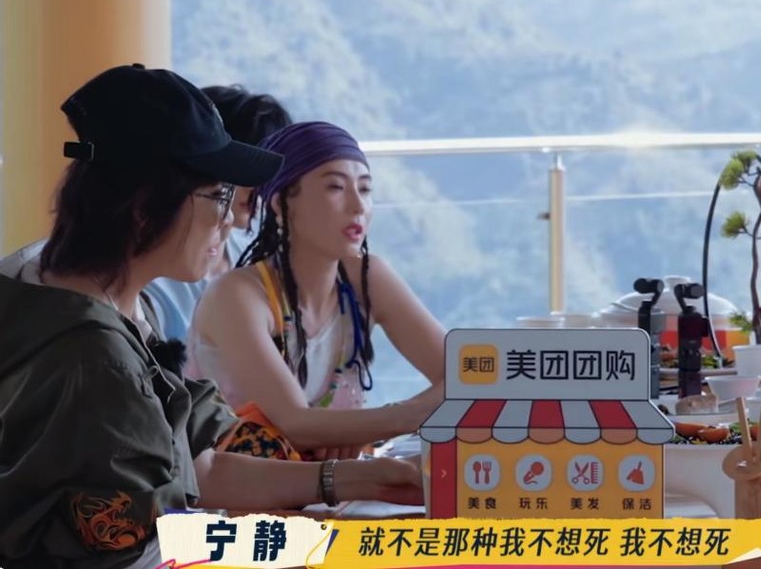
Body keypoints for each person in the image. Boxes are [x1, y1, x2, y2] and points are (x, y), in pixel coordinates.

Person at [0, 65, 423, 569]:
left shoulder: (76, 285)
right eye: (220, 195)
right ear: (144, 208)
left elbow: (201, 468)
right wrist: (320, 546)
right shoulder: (94, 357)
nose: (232, 220)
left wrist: (357, 479)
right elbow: (138, 550)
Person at [188, 120, 446, 461]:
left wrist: (351, 428)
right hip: (240, 491)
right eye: (336, 187)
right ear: (281, 203)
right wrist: (405, 416)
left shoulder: (366, 278)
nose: (358, 206)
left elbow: (469, 376)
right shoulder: (236, 295)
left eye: (365, 189)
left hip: (341, 483)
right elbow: (297, 424)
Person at [141, 84, 294, 348]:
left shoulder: (253, 255)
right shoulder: (154, 279)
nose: (260, 189)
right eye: (247, 170)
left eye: (268, 174)